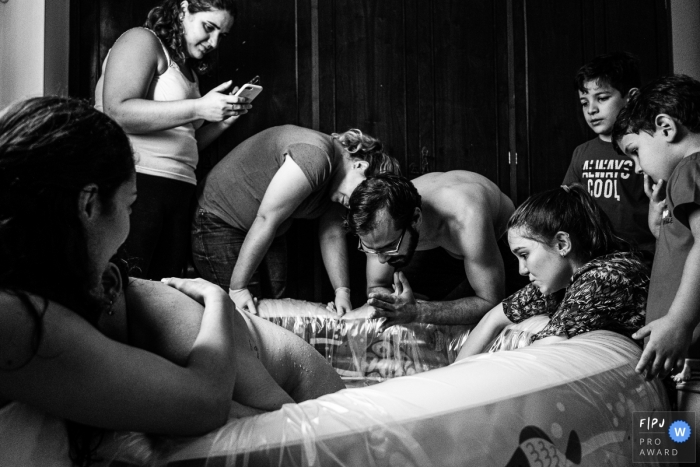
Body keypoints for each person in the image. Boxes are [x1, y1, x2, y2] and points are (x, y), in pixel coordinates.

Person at [0, 97, 343, 467]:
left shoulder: (130, 300)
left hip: (311, 399)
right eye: (130, 205)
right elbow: (201, 404)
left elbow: (285, 429)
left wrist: (217, 304)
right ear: (88, 206)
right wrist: (218, 299)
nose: (129, 227)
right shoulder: (34, 309)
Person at [95, 0, 251, 280]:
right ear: (183, 9)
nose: (214, 42)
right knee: (126, 288)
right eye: (209, 27)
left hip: (178, 192)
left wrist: (223, 120)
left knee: (162, 295)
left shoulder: (187, 71)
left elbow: (186, 143)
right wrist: (199, 107)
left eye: (222, 35)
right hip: (137, 183)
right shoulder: (142, 40)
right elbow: (117, 110)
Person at [193, 124, 401, 315]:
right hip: (219, 220)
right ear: (359, 166)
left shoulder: (341, 189)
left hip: (269, 233)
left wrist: (342, 292)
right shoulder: (316, 157)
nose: (356, 207)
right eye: (362, 195)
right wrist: (238, 288)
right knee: (245, 314)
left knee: (277, 310)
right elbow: (266, 218)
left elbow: (331, 234)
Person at [456, 184, 649, 360]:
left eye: (524, 254)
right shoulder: (561, 280)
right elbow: (493, 318)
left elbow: (539, 356)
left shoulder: (604, 278)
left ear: (562, 244)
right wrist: (454, 376)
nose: (522, 270)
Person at [612, 74, 700, 424]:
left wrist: (679, 321)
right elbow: (683, 244)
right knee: (662, 446)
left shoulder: (689, 168)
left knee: (671, 448)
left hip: (691, 354)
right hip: (685, 356)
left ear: (665, 127)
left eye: (635, 152)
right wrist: (658, 220)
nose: (636, 167)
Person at [343, 171, 515, 328]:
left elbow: (491, 301)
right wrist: (394, 305)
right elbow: (377, 286)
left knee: (482, 322)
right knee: (407, 305)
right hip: (432, 243)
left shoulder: (466, 216)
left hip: (498, 240)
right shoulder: (379, 222)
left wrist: (418, 311)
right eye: (373, 249)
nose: (381, 259)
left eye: (389, 247)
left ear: (416, 218)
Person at [563, 51, 656, 259]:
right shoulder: (582, 152)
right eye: (585, 102)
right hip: (592, 255)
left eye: (602, 98)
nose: (591, 110)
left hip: (638, 255)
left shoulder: (647, 148)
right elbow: (567, 205)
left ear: (631, 98)